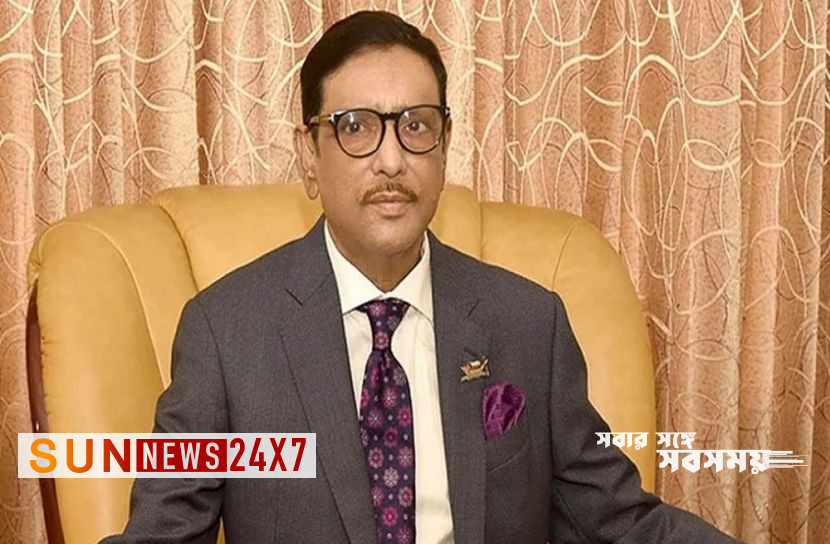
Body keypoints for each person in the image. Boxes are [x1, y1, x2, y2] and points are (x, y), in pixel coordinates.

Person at [103, 10, 739, 544]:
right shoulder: (226, 333)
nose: (391, 159)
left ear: (444, 145)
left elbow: (620, 524)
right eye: (355, 128)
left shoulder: (527, 324)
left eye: (415, 127)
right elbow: (162, 532)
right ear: (309, 155)